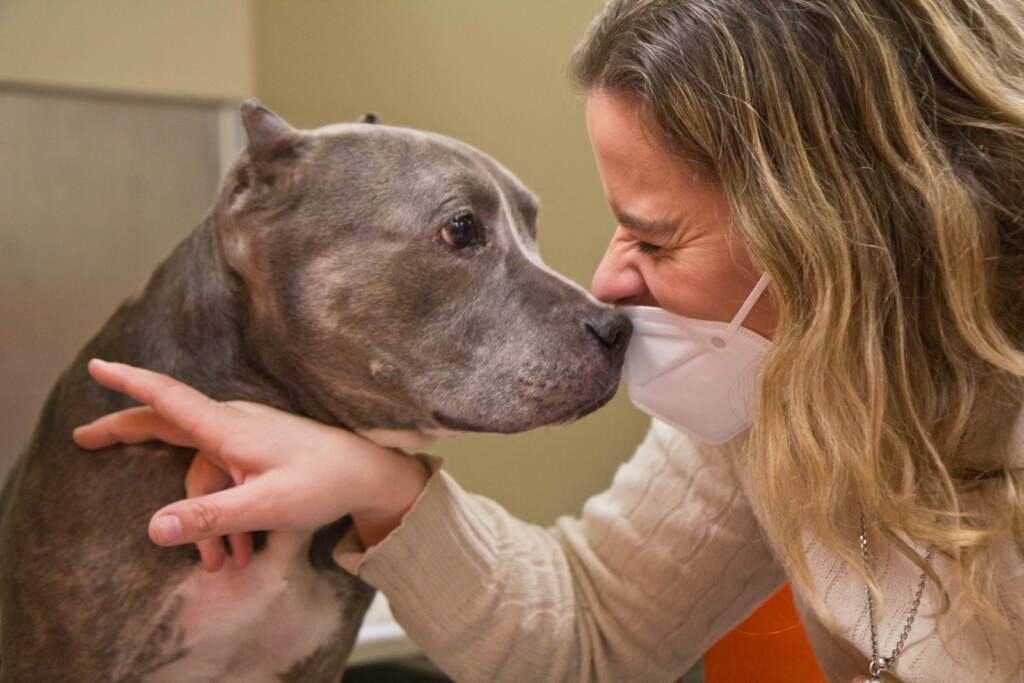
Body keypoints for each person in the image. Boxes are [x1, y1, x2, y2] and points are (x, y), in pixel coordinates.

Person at [72, 1, 1024, 681]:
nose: (608, 281)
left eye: (654, 234)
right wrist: (378, 483)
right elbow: (591, 635)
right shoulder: (768, 396)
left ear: (846, 226)